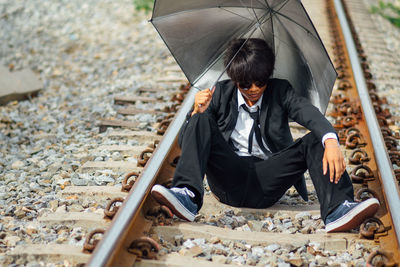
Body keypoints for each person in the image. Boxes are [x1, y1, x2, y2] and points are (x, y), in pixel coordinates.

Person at [151, 38, 379, 232]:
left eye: (259, 83)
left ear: (268, 77)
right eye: (245, 84)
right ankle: (187, 196)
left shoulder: (281, 91)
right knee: (200, 120)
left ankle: (337, 209)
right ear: (234, 79)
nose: (253, 89)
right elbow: (185, 141)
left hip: (268, 179)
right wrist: (195, 112)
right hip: (228, 178)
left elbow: (309, 113)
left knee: (317, 139)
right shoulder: (219, 93)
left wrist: (331, 141)